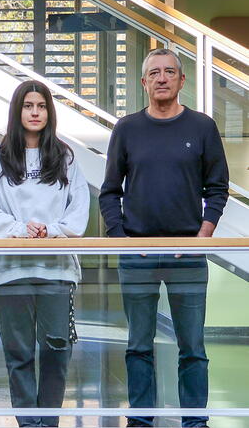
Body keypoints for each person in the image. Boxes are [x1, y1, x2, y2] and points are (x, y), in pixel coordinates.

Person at [99, 48, 229, 428]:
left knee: (192, 347)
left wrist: (202, 237)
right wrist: (123, 239)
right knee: (139, 345)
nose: (161, 78)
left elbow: (217, 188)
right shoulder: (126, 129)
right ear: (143, 82)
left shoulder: (202, 127)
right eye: (153, 73)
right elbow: (109, 191)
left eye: (169, 71)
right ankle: (141, 419)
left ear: (181, 81)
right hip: (136, 254)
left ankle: (195, 421)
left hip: (187, 254)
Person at [0, 80, 90, 427]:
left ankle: (48, 421)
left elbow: (78, 209)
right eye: (28, 106)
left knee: (57, 351)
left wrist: (51, 230)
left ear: (49, 112)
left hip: (56, 270)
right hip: (9, 271)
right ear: (17, 111)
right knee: (19, 354)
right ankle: (28, 422)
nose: (35, 112)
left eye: (41, 106)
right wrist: (20, 230)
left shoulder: (65, 156)